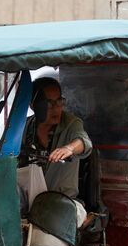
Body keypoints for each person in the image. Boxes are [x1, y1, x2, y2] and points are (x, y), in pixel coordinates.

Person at [21, 77, 93, 227]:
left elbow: (83, 142)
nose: (56, 108)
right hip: (29, 203)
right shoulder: (24, 127)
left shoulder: (71, 123)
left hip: (62, 202)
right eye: (49, 103)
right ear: (33, 105)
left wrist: (69, 148)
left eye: (59, 101)